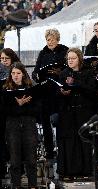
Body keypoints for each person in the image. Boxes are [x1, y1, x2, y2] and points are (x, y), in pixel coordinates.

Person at [56, 48, 98, 178]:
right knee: (69, 141)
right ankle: (69, 170)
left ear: (79, 59)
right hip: (68, 112)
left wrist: (77, 83)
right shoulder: (64, 73)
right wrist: (62, 92)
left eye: (73, 58)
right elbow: (58, 91)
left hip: (84, 111)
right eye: (68, 58)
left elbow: (93, 91)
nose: (70, 61)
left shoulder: (88, 72)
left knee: (83, 140)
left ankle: (85, 170)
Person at [1, 62, 40, 189]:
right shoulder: (5, 90)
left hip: (29, 124)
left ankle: (33, 186)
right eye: (13, 73)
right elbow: (4, 111)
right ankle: (16, 186)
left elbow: (37, 110)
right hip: (12, 126)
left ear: (23, 74)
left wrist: (21, 106)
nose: (15, 76)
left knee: (31, 158)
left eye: (18, 73)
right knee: (15, 159)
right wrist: (18, 105)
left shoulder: (31, 89)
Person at [32, 28, 68, 160]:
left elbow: (69, 69)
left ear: (57, 39)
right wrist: (36, 75)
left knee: (61, 121)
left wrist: (61, 72)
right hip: (46, 92)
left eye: (52, 39)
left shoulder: (65, 50)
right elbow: (35, 72)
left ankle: (63, 150)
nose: (50, 41)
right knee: (46, 122)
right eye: (48, 39)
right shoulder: (43, 53)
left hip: (59, 92)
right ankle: (49, 152)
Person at [0, 48, 20, 184]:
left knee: (14, 141)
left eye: (6, 59)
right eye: (1, 59)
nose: (4, 61)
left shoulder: (17, 70)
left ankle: (17, 171)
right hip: (2, 110)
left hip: (14, 111)